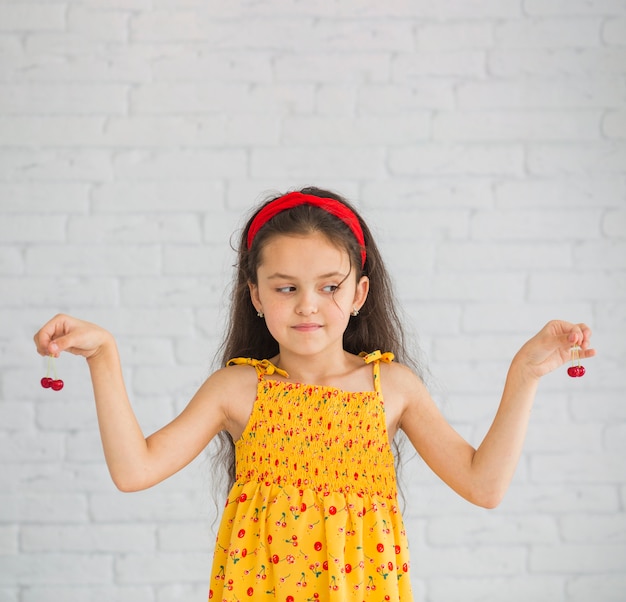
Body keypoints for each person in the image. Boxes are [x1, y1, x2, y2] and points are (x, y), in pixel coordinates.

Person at [34, 187, 595, 601]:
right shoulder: (238, 388)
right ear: (255, 295)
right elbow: (135, 471)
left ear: (359, 292)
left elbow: (483, 485)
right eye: (285, 288)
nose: (307, 305)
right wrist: (104, 355)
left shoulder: (391, 387)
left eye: (329, 286)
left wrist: (525, 373)